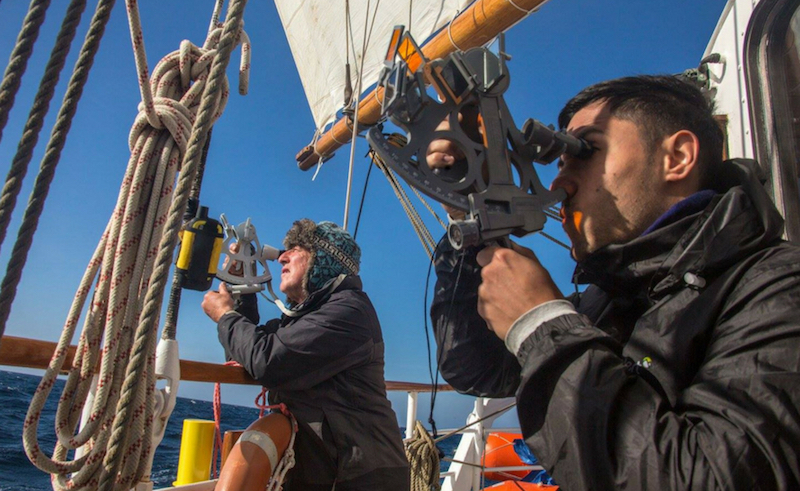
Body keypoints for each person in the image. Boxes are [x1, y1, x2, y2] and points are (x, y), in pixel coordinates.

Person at [428, 75, 800, 489]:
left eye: (585, 151)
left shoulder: (779, 289)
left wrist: (541, 323)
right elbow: (476, 369)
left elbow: (714, 478)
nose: (557, 183)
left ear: (676, 157)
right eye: (560, 160)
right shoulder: (612, 299)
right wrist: (469, 213)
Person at [202, 219, 409, 490]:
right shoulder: (305, 318)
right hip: (329, 471)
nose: (281, 257)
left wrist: (225, 316)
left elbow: (266, 361)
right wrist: (244, 290)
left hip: (363, 478)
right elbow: (244, 354)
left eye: (296, 248)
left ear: (324, 259)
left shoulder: (348, 313)